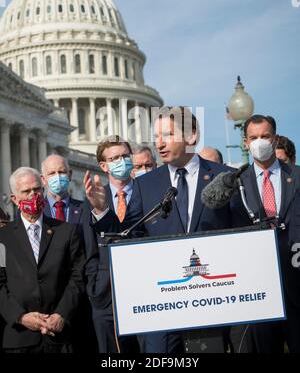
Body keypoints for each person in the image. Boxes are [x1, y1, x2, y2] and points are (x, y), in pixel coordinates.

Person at [84, 107, 237, 353]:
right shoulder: (145, 185)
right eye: (156, 137)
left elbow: (240, 235)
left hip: (214, 300)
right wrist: (102, 211)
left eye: (167, 135)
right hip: (163, 306)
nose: (159, 143)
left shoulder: (224, 177)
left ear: (191, 137)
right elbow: (128, 239)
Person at [232, 114, 300, 353]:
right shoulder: (236, 184)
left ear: (275, 138)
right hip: (258, 293)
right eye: (253, 137)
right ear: (245, 143)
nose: (259, 142)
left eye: (265, 136)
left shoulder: (298, 176)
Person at [0, 167, 85, 353]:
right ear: (14, 199)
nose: (33, 195)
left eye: (37, 189)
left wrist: (61, 314)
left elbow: (77, 276)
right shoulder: (2, 237)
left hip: (60, 336)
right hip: (19, 337)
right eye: (26, 191)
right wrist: (21, 317)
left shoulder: (67, 231)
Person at [86, 136, 140, 353]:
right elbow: (89, 250)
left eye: (125, 156)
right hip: (105, 295)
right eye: (115, 158)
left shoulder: (148, 193)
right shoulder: (93, 198)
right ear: (104, 165)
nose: (121, 161)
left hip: (144, 289)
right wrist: (95, 287)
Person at [40, 154, 98, 352]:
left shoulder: (84, 209)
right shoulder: (35, 214)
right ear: (43, 179)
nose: (58, 176)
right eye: (52, 173)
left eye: (62, 172)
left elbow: (91, 252)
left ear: (71, 174)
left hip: (81, 302)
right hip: (47, 306)